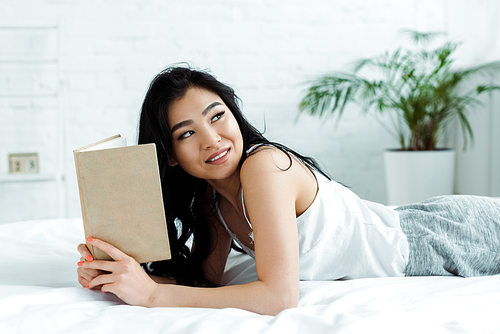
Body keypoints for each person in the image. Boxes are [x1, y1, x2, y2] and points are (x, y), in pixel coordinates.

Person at [77, 65, 500, 316]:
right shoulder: (211, 200)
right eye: (187, 133)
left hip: (440, 238)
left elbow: (279, 296)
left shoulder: (263, 167)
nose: (213, 139)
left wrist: (152, 296)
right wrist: (121, 274)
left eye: (217, 116)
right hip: (419, 224)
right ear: (169, 155)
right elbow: (205, 282)